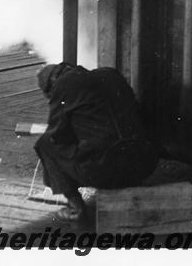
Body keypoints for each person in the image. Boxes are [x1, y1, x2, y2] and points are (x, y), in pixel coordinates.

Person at [34, 63, 159, 221]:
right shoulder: (110, 74)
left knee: (45, 143)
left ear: (52, 84)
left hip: (104, 172)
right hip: (144, 164)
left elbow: (56, 135)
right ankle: (133, 185)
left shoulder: (62, 85)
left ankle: (76, 208)